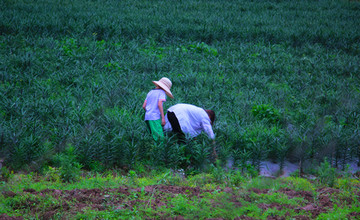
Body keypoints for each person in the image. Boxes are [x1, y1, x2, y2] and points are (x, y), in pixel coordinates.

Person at [142, 77, 173, 142]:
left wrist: (149, 112)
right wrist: (163, 118)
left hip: (147, 117)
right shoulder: (162, 92)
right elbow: (159, 104)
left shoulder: (150, 92)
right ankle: (160, 152)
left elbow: (144, 106)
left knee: (152, 137)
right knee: (160, 138)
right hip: (155, 117)